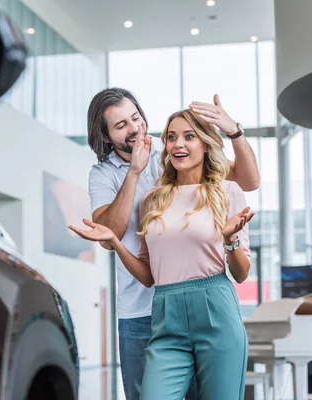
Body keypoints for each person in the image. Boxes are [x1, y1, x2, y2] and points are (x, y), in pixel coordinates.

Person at [84, 88, 259, 400]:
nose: (135, 128)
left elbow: (248, 181)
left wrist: (234, 131)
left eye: (136, 117)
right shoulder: (104, 176)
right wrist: (134, 173)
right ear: (107, 137)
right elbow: (110, 232)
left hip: (210, 301)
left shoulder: (175, 155)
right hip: (142, 309)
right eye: (121, 125)